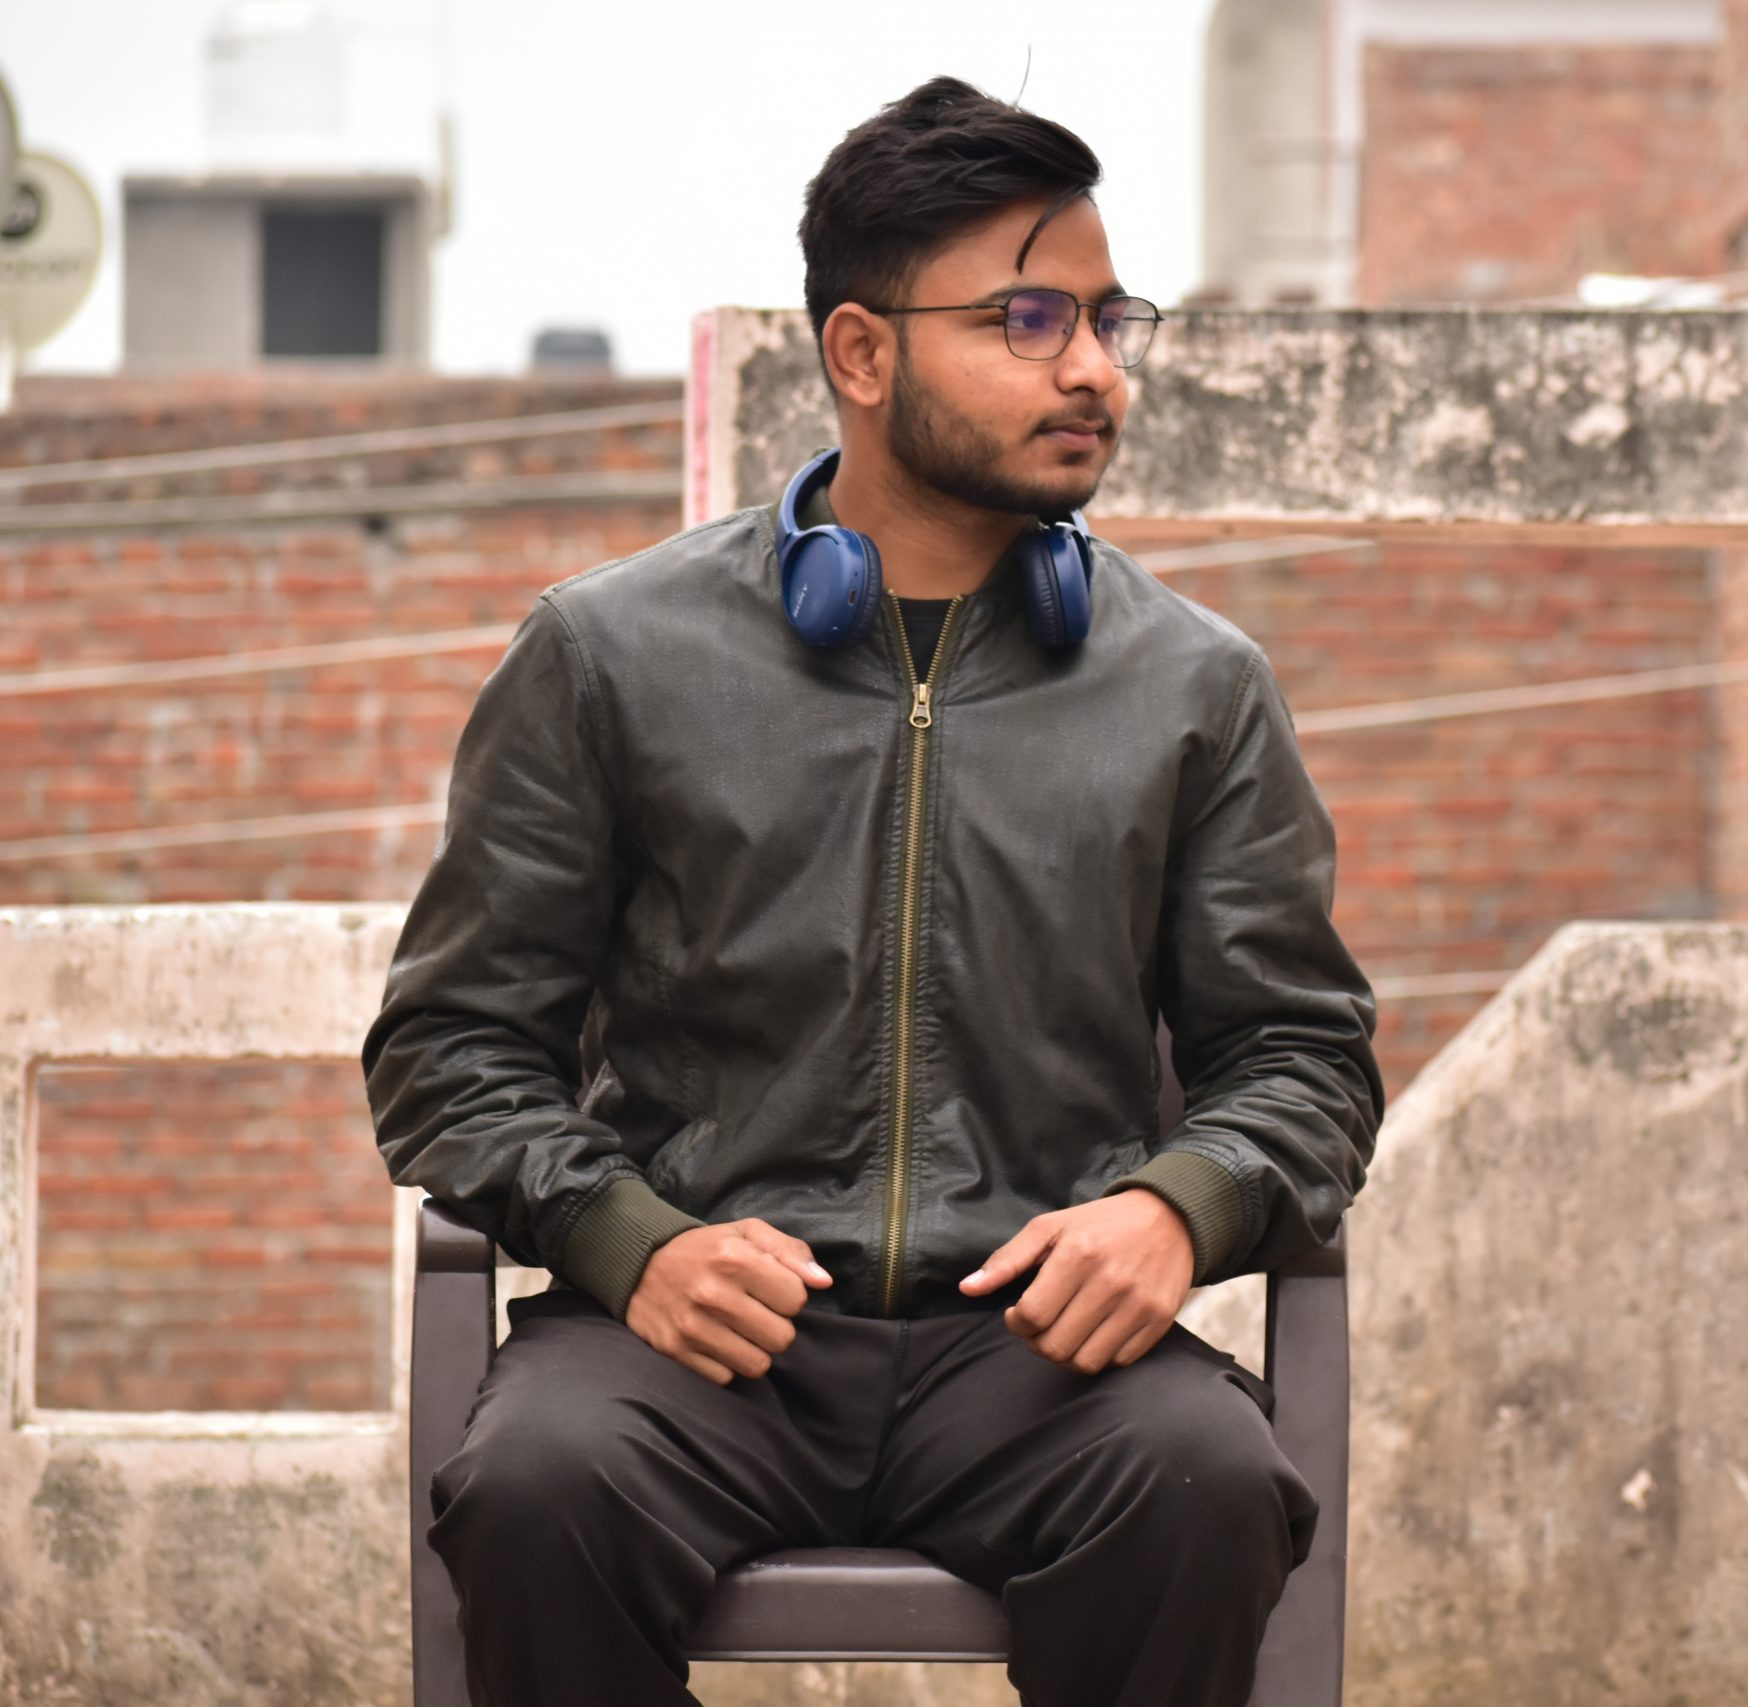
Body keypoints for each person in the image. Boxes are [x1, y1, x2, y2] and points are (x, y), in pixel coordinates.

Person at [362, 75, 1383, 1707]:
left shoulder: (1196, 684)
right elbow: (452, 1047)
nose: (1094, 370)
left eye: (1111, 319)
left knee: (1205, 1484)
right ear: (860, 353)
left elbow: (1306, 1058)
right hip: (690, 1341)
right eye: (1029, 319)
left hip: (1043, 1353)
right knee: (536, 1492)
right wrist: (631, 1244)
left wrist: (1175, 1208)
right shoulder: (611, 655)